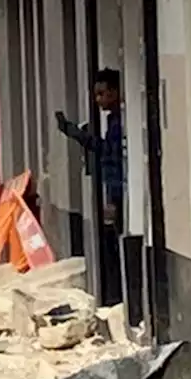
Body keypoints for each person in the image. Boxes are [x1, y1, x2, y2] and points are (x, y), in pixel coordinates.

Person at [57, 68, 124, 304]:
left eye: (103, 94)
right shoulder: (114, 119)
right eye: (96, 94)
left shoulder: (120, 122)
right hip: (112, 186)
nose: (99, 100)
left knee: (113, 243)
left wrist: (79, 136)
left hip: (117, 189)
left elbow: (110, 152)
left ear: (115, 92)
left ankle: (117, 298)